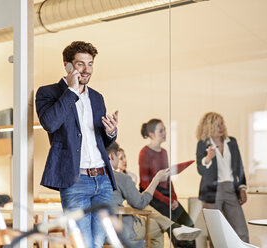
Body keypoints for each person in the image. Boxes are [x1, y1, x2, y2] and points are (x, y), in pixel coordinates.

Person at [35, 41, 118, 248]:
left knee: (98, 243)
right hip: (75, 181)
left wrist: (111, 132)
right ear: (67, 65)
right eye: (80, 64)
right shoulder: (48, 93)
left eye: (90, 64)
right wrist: (71, 91)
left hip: (103, 180)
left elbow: (101, 140)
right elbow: (50, 123)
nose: (86, 70)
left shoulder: (97, 97)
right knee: (82, 244)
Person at [107, 142, 201, 247]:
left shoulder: (90, 178)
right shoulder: (120, 178)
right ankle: (174, 226)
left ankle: (174, 226)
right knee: (158, 227)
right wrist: (156, 179)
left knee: (153, 219)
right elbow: (140, 203)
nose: (124, 160)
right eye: (119, 157)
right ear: (112, 156)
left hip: (98, 231)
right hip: (121, 229)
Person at [139, 119, 196, 248]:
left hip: (167, 197)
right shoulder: (144, 152)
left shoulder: (164, 152)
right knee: (175, 227)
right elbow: (144, 184)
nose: (165, 132)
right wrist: (167, 200)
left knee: (189, 224)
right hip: (154, 196)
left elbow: (168, 179)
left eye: (165, 129)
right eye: (161, 130)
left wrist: (174, 199)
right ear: (152, 134)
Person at [196, 112, 249, 244]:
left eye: (222, 124)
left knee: (241, 231)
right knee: (216, 233)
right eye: (217, 125)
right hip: (212, 191)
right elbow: (200, 170)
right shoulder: (203, 144)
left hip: (231, 189)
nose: (221, 127)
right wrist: (208, 158)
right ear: (209, 127)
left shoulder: (232, 142)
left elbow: (239, 167)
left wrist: (242, 188)